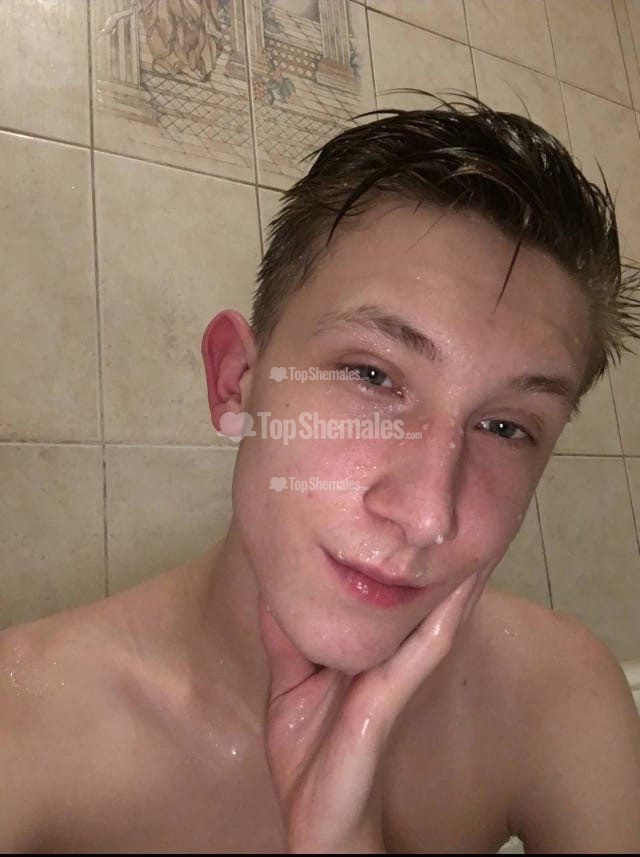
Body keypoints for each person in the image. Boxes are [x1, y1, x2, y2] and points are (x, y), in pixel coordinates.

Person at [2, 92, 640, 853]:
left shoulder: (561, 695)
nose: (427, 513)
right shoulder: (23, 734)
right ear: (237, 382)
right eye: (373, 375)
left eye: (506, 427)